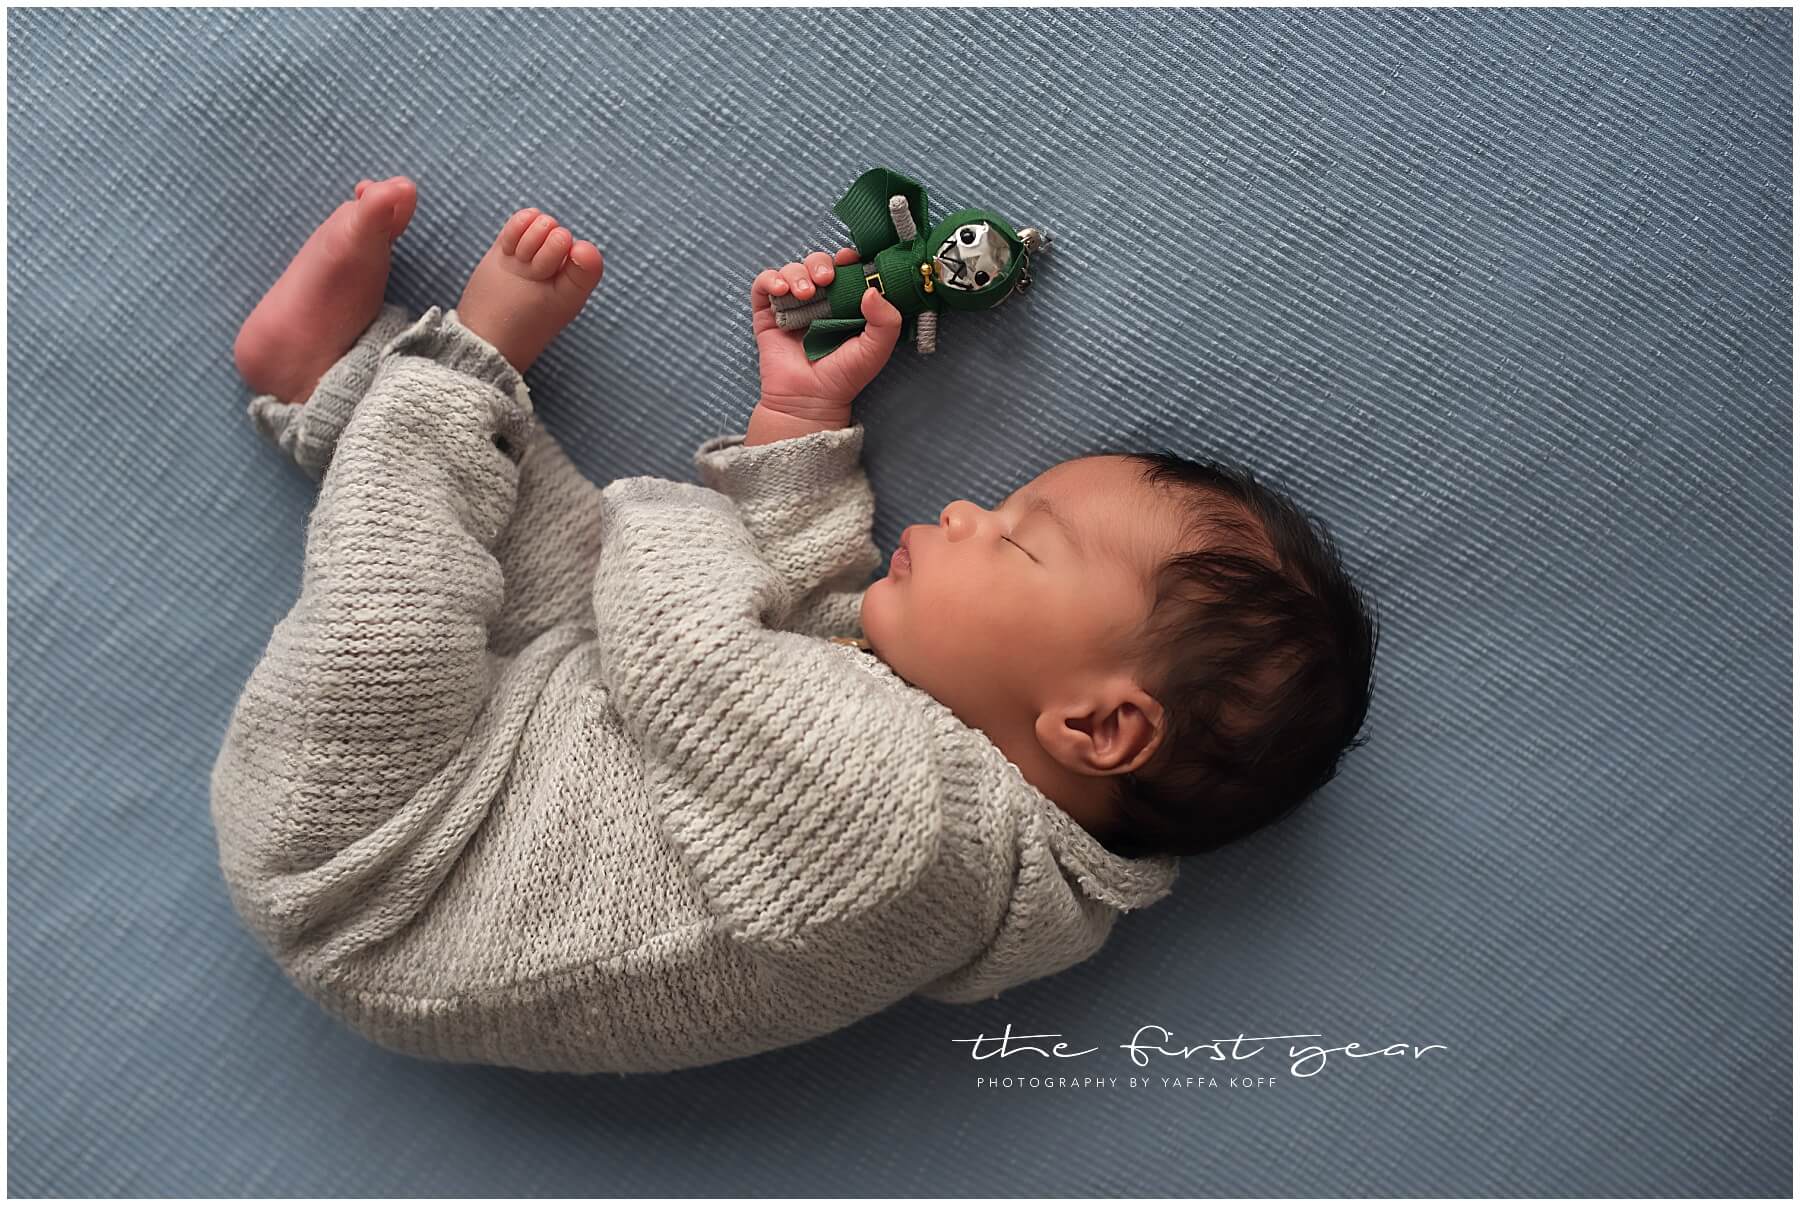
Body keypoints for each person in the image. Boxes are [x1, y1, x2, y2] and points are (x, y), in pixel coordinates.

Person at [213, 175, 1376, 1075]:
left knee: (412, 627)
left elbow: (692, 655)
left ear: (1097, 725)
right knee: (555, 571)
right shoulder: (957, 793)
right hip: (551, 753)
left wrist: (670, 512)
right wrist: (799, 413)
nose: (968, 512)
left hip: (372, 867)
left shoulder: (904, 832)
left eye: (1020, 537)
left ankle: (438, 374)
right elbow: (809, 633)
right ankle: (331, 383)